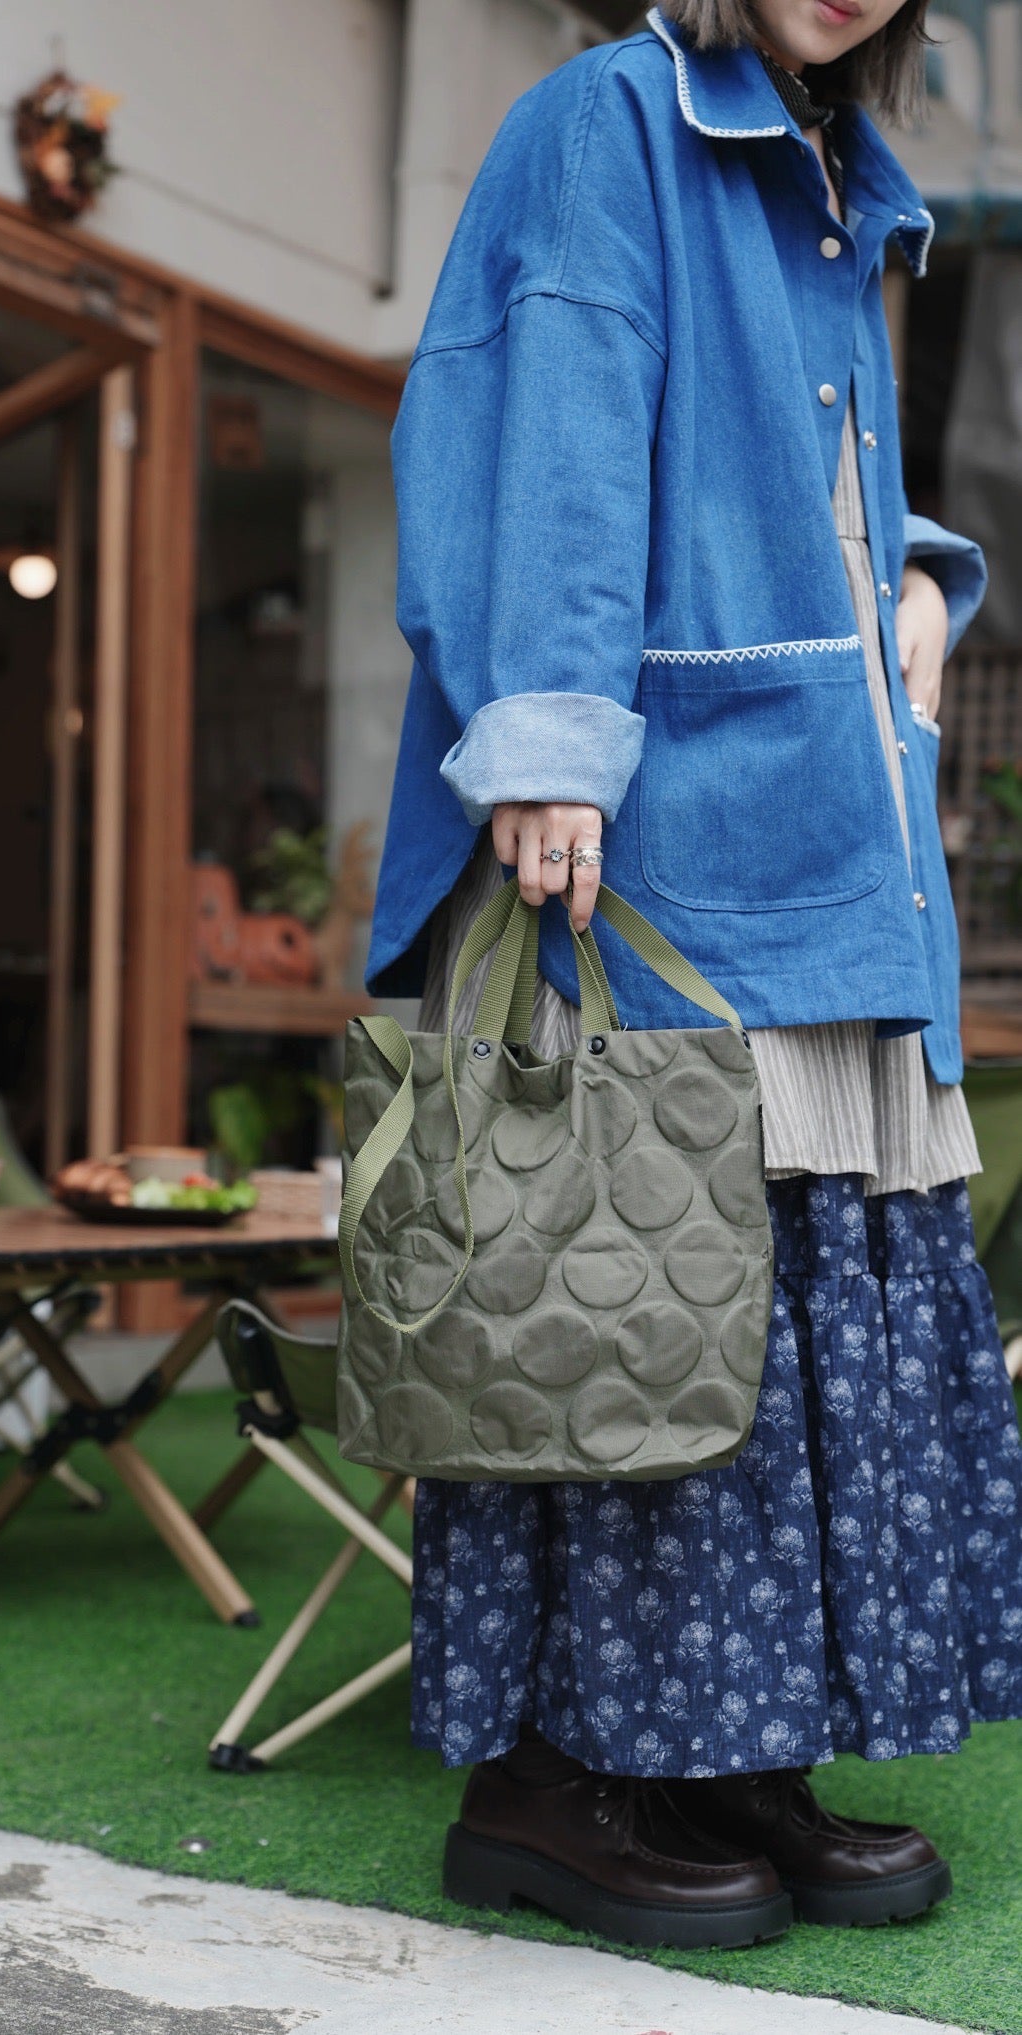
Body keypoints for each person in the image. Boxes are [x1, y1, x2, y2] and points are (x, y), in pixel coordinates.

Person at [365, 0, 1022, 1950]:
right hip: (665, 839)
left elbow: (782, 474)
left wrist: (917, 569)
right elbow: (549, 426)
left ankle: (730, 1754)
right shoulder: (614, 114)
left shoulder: (827, 168)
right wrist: (547, 731)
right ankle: (554, 1783)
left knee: (776, 1305)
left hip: (824, 835)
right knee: (641, 1288)